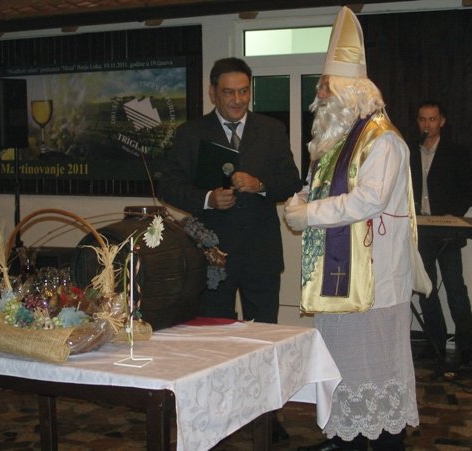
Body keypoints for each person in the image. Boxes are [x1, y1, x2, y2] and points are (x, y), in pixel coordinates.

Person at [284, 7, 419, 451]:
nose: (318, 94)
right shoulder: (337, 140)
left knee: (375, 372)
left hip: (375, 283)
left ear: (349, 91)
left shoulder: (384, 140)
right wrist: (301, 200)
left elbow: (368, 200)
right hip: (338, 279)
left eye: (325, 87)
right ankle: (345, 438)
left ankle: (384, 441)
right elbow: (320, 188)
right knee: (341, 367)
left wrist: (309, 214)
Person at [159, 57, 302, 444]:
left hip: (260, 253)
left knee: (263, 341)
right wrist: (206, 198)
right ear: (212, 92)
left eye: (243, 91)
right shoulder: (191, 133)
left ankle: (267, 418)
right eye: (228, 92)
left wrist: (261, 184)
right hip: (211, 255)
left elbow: (291, 180)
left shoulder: (271, 129)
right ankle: (215, 417)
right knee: (214, 343)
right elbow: (168, 185)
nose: (237, 100)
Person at [410, 100, 472, 366]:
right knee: (426, 290)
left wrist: (453, 214)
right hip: (421, 228)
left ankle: (466, 346)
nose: (427, 124)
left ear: (442, 121)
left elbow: (468, 190)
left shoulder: (456, 152)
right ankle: (435, 342)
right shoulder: (410, 152)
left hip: (448, 229)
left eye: (432, 119)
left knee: (455, 289)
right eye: (422, 119)